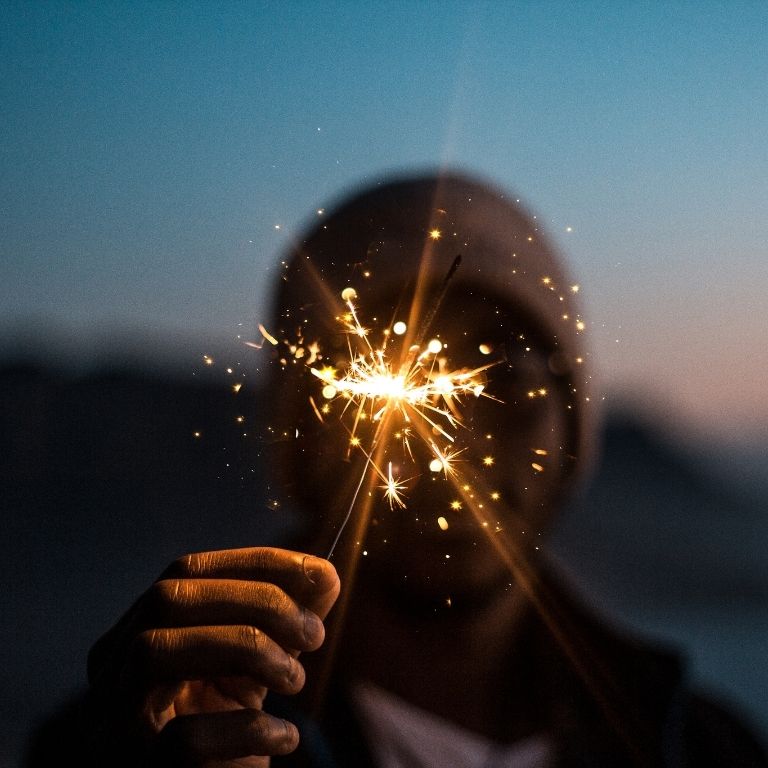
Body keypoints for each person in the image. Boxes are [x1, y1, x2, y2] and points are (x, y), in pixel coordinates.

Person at [27, 172, 767, 767]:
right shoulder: (158, 734)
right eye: (373, 362)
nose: (456, 436)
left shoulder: (706, 747)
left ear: (571, 428)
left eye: (502, 376)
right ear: (300, 440)